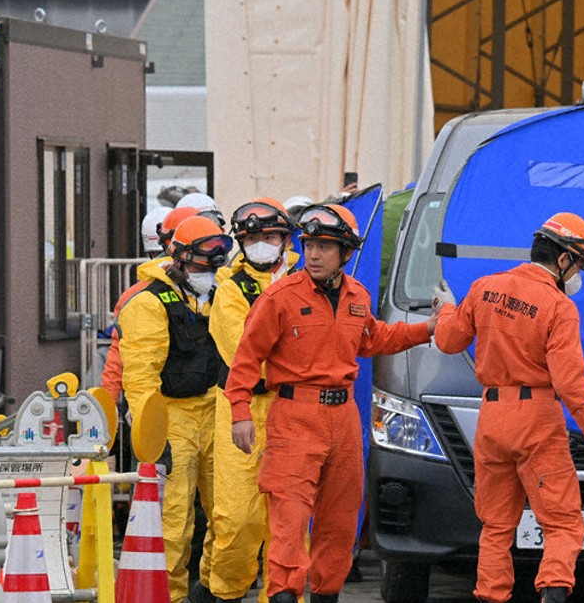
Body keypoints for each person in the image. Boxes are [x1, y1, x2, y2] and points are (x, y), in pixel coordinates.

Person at [225, 204, 436, 603]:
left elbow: (376, 339)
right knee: (289, 521)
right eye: (309, 246)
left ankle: (327, 595)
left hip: (343, 420)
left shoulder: (357, 296)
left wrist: (427, 329)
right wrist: (239, 413)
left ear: (346, 253)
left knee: (339, 525)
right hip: (294, 417)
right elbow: (246, 358)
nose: (314, 255)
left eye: (325, 246)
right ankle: (285, 595)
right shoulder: (279, 297)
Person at [431, 212, 584, 603]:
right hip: (537, 420)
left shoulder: (484, 288)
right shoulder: (559, 306)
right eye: (579, 263)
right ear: (563, 259)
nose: (579, 274)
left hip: (493, 418)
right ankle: (552, 596)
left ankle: (490, 596)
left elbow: (447, 340)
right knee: (564, 524)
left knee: (496, 526)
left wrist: (446, 308)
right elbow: (570, 382)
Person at [118, 215, 233, 603]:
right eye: (203, 263)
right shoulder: (148, 303)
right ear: (180, 257)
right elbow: (140, 376)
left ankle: (214, 592)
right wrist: (153, 436)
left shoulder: (222, 294)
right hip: (173, 417)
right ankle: (167, 597)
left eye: (217, 263)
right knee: (174, 521)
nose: (210, 271)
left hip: (219, 411)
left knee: (229, 514)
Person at [207, 198, 297, 603]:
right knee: (237, 518)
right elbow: (242, 353)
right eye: (253, 238)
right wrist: (296, 362)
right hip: (242, 406)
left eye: (270, 236)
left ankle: (281, 596)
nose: (262, 244)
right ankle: (225, 593)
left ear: (285, 238)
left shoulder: (308, 278)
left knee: (291, 521)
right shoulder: (230, 289)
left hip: (296, 411)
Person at [101, 206, 197, 402]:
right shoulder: (218, 287)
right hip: (167, 403)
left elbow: (116, 362)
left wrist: (107, 411)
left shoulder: (134, 295)